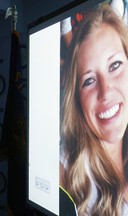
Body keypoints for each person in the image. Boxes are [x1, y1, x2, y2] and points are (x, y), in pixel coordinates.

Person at [60, 4, 128, 215]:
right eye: (88, 80)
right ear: (77, 98)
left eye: (115, 65)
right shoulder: (64, 172)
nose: (105, 92)